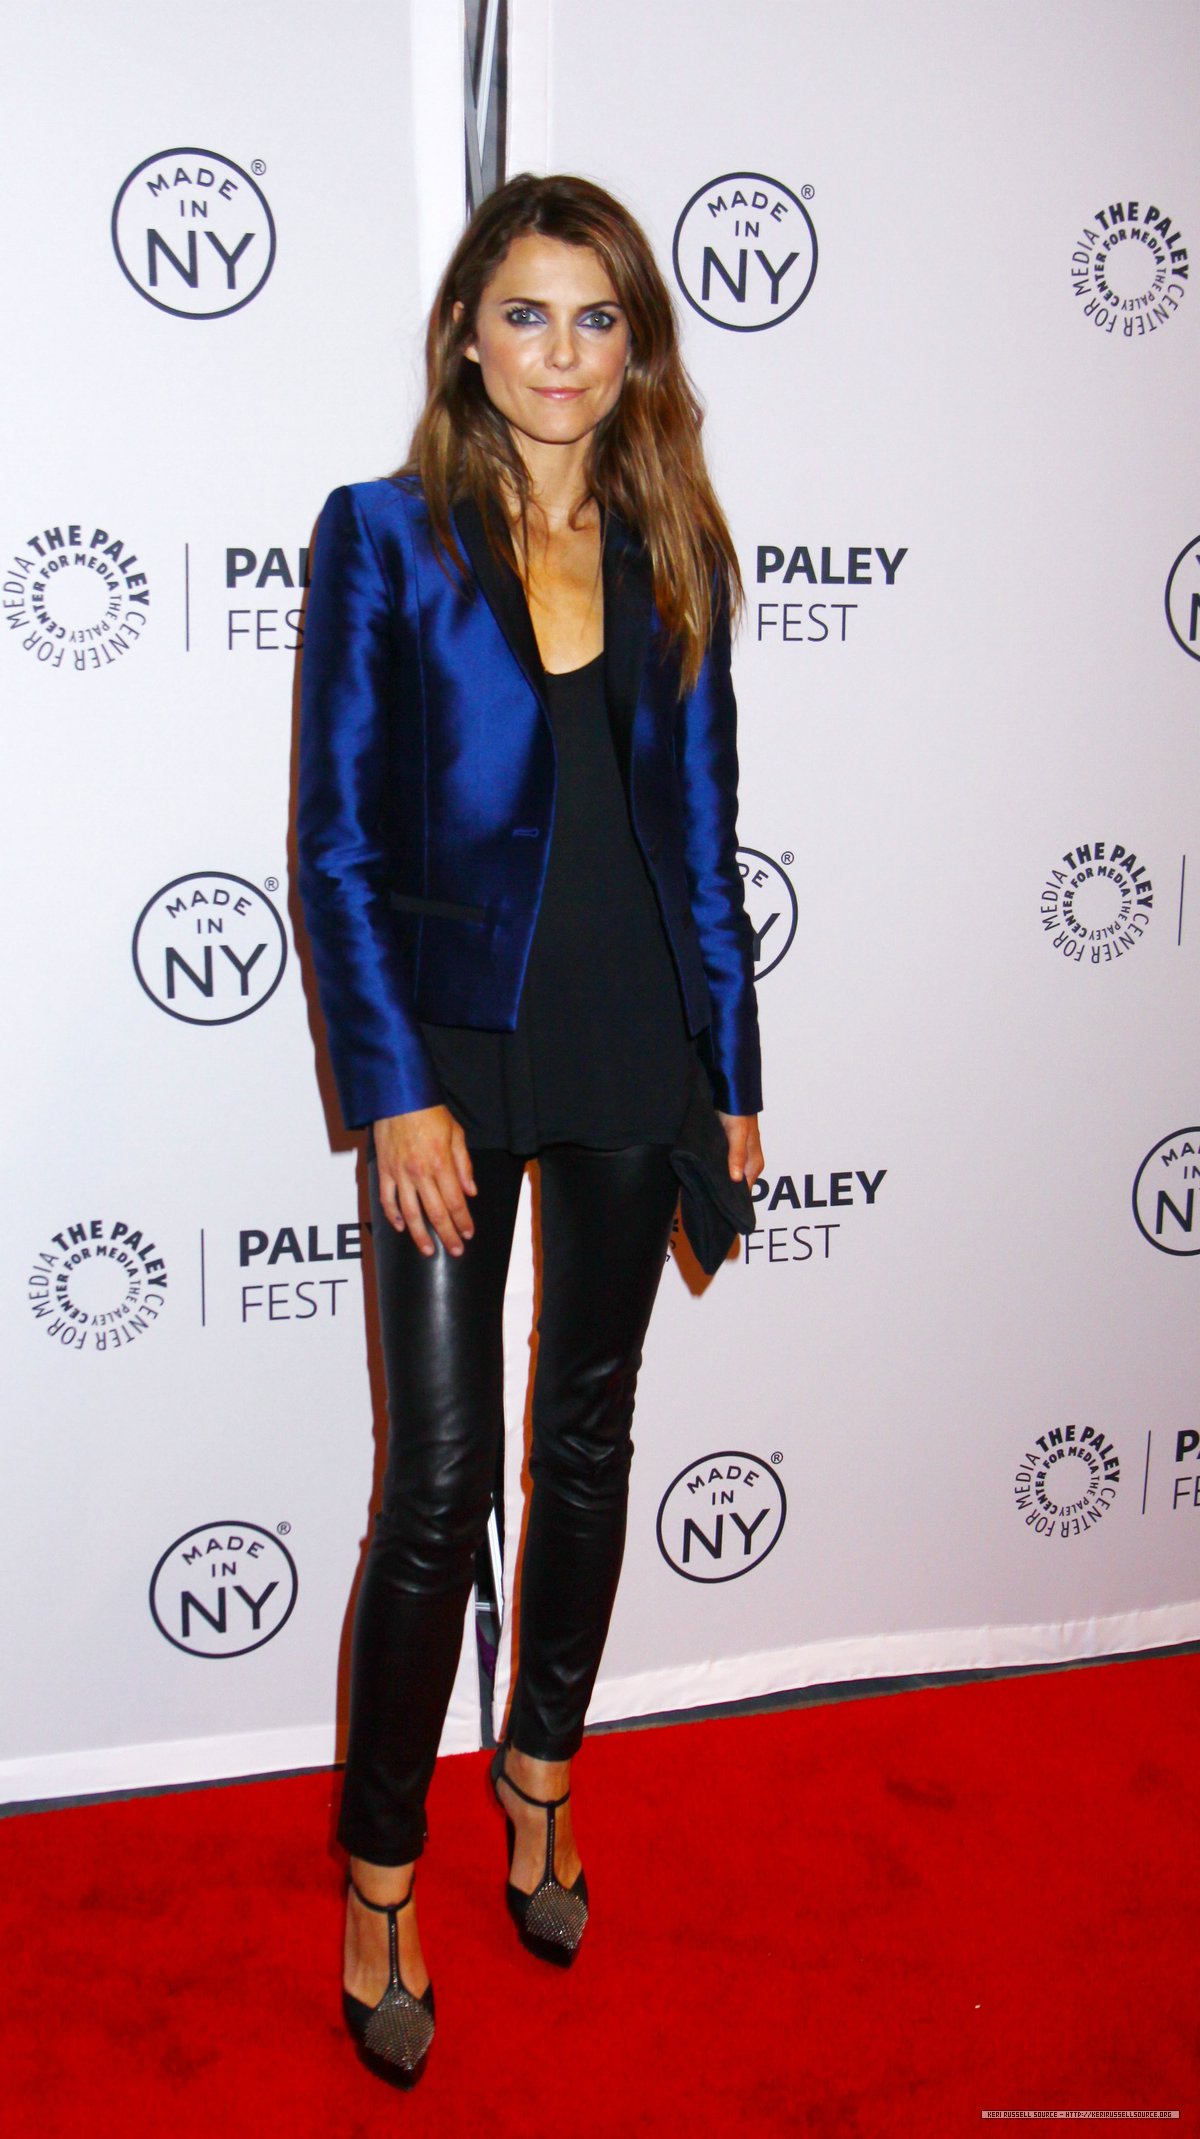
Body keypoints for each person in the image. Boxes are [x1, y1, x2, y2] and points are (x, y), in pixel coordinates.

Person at [297, 171, 763, 2088]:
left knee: (587, 1442)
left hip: (634, 1045)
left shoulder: (680, 549)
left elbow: (706, 848)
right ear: (467, 338)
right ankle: (384, 1873)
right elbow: (334, 846)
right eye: (525, 315)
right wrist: (396, 1083)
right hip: (454, 1065)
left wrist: (732, 1082)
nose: (560, 352)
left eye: (596, 317)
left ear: (634, 342)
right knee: (433, 1489)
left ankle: (547, 1775)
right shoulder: (386, 541)